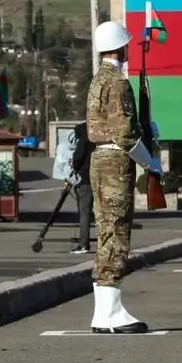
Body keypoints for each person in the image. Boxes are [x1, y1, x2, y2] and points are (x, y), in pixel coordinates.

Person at [86, 20, 158, 334]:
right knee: (116, 233)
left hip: (100, 159)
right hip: (116, 160)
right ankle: (110, 313)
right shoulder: (118, 82)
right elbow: (125, 133)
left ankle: (104, 311)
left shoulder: (97, 80)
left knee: (106, 232)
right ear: (121, 46)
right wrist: (150, 161)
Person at [67, 121, 94, 255]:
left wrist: (74, 165)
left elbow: (77, 159)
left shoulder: (83, 141)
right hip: (99, 179)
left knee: (85, 213)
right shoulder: (97, 141)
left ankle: (83, 244)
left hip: (85, 181)